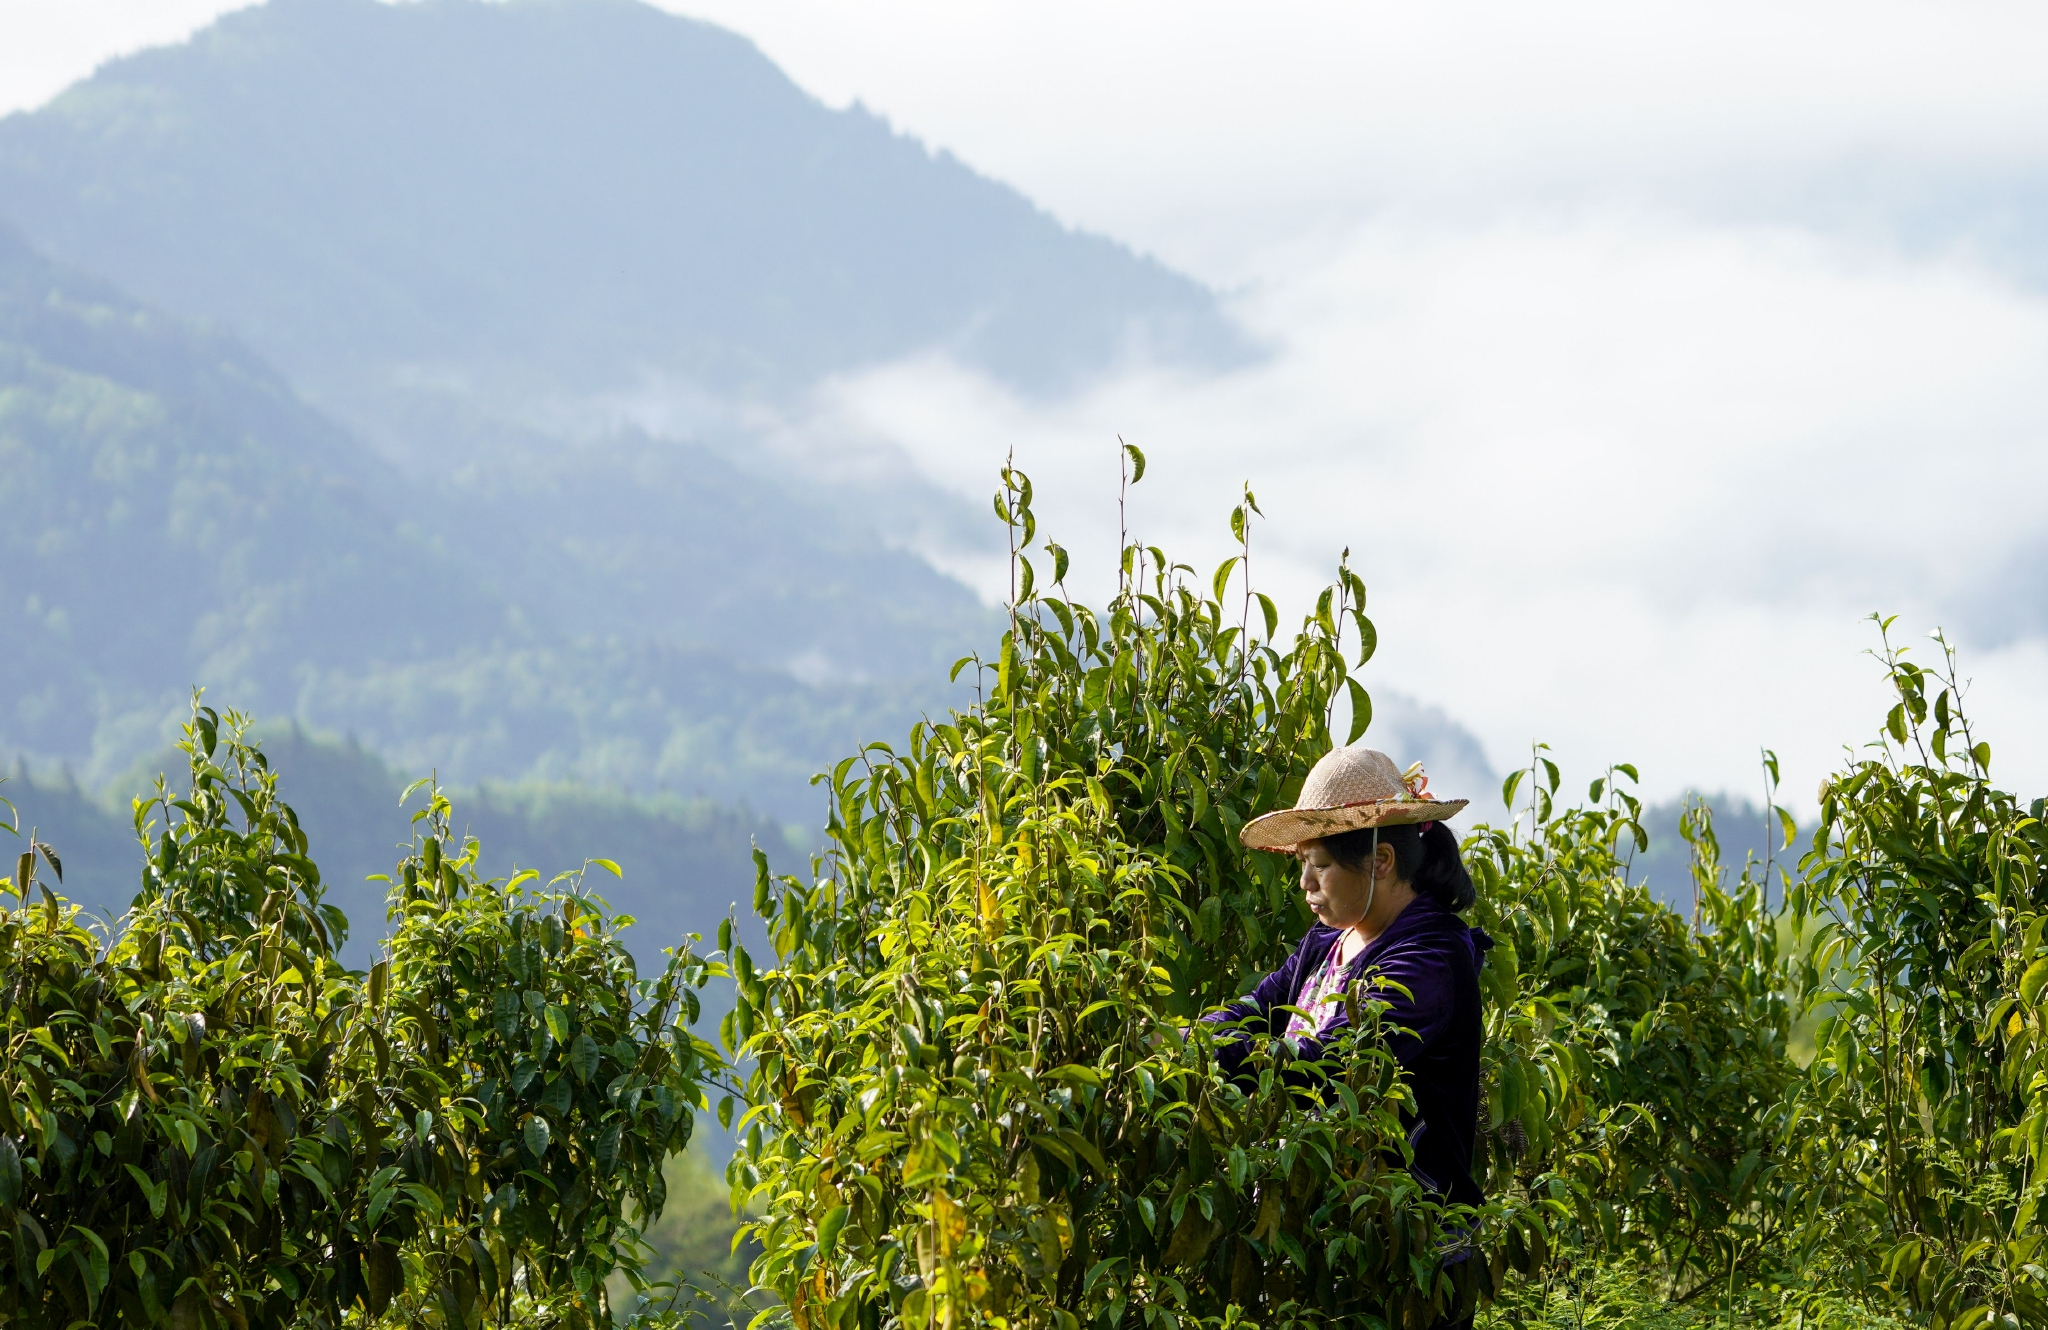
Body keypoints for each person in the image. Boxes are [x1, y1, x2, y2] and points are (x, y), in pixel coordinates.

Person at [1207, 744, 1492, 1213]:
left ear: (1381, 862)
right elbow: (1259, 1011)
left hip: (1402, 1228)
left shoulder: (1432, 958)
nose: (1305, 882)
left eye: (1318, 865)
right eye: (1301, 864)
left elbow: (1329, 1063)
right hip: (1315, 1205)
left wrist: (1213, 1057)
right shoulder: (1330, 939)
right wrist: (1193, 1039)